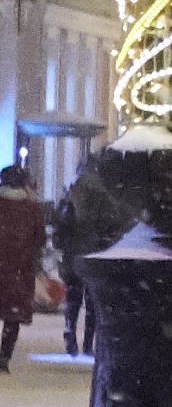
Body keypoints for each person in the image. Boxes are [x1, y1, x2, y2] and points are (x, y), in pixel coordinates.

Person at [51, 145, 138, 361]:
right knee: (92, 302)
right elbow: (114, 225)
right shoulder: (106, 197)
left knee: (73, 299)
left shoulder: (72, 194)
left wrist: (64, 243)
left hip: (73, 254)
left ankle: (70, 334)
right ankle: (88, 342)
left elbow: (60, 226)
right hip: (94, 254)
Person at [0, 157, 39, 373]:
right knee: (11, 316)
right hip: (19, 269)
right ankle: (4, 357)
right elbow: (39, 238)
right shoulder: (31, 208)